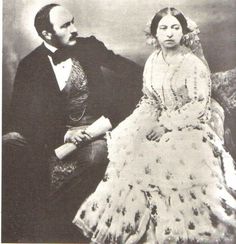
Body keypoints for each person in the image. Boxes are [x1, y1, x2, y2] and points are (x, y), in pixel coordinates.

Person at [73, 7, 236, 243]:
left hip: (188, 125)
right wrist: (140, 122)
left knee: (176, 163)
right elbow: (150, 98)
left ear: (183, 32)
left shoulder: (193, 65)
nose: (169, 33)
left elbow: (199, 105)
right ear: (155, 34)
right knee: (133, 151)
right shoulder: (152, 61)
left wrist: (167, 125)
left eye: (175, 27)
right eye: (163, 28)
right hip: (156, 118)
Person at [2, 3, 142, 242]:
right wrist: (62, 136)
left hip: (94, 131)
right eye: (66, 26)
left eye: (73, 22)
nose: (74, 29)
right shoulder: (30, 65)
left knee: (95, 156)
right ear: (47, 34)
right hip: (53, 137)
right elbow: (20, 117)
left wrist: (164, 69)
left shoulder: (89, 47)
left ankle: (63, 230)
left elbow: (130, 72)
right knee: (10, 149)